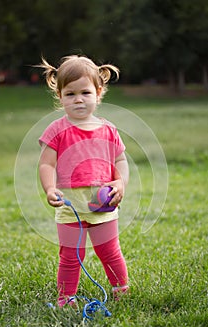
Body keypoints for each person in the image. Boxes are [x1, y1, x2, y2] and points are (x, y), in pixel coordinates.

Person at [38, 55, 129, 308]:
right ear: (60, 96)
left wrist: (120, 184)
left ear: (98, 93)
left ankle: (121, 289)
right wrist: (50, 188)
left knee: (109, 251)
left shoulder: (108, 129)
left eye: (85, 92)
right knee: (70, 255)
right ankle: (66, 298)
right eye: (70, 94)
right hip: (70, 207)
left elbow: (121, 162)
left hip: (104, 205)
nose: (78, 99)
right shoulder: (57, 130)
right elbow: (46, 164)